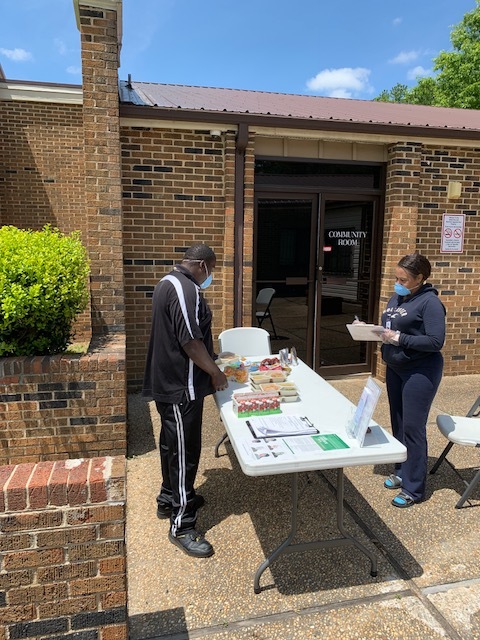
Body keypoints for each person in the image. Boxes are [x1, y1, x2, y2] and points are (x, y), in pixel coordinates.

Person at [143, 244, 228, 557]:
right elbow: (190, 341)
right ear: (204, 266)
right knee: (184, 452)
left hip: (172, 382)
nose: (212, 276)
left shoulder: (169, 282)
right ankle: (183, 525)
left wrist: (214, 357)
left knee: (171, 445)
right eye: (213, 270)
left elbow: (189, 336)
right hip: (181, 385)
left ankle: (171, 499)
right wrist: (216, 373)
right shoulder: (184, 289)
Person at [380, 252, 446, 508]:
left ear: (420, 278)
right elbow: (390, 325)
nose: (398, 283)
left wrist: (398, 339)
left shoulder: (430, 303)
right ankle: (401, 470)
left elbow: (435, 341)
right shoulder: (398, 297)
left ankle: (414, 488)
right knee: (397, 422)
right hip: (395, 367)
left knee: (413, 427)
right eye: (397, 278)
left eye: (404, 279)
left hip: (420, 370)